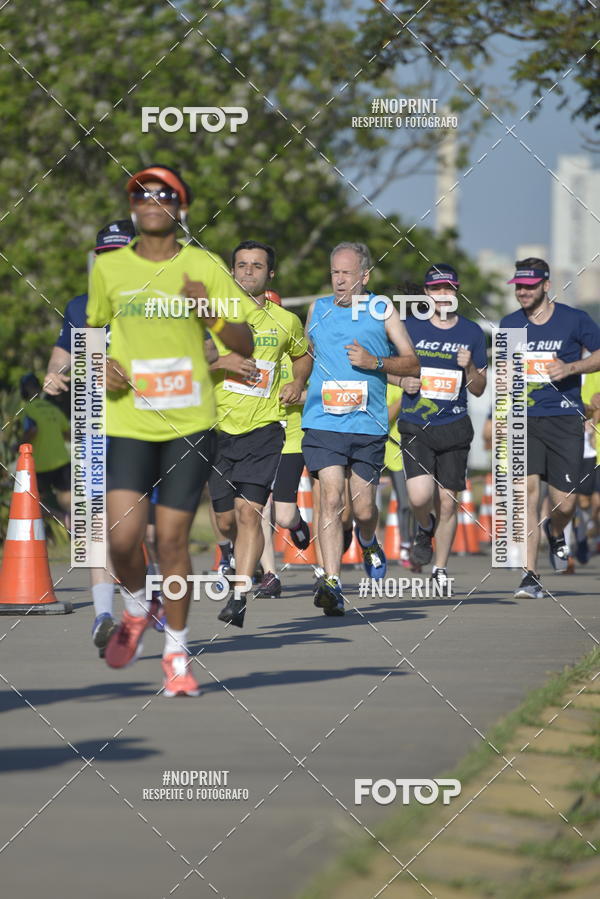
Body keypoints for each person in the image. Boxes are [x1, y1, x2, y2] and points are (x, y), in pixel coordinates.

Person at [86, 163, 253, 695]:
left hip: (188, 423)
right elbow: (91, 339)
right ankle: (138, 606)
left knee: (174, 542)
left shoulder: (203, 266)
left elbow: (244, 343)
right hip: (130, 420)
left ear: (181, 206)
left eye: (165, 194)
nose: (152, 200)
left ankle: (176, 654)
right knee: (122, 537)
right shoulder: (108, 270)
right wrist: (99, 365)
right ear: (132, 205)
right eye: (141, 193)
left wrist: (210, 312)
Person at [302, 241, 420, 616]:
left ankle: (368, 540)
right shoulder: (317, 309)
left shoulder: (381, 308)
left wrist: (374, 362)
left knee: (364, 506)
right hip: (323, 422)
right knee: (331, 498)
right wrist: (294, 381)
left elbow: (412, 363)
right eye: (335, 272)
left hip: (367, 424)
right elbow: (303, 356)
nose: (339, 280)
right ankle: (332, 583)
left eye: (347, 274)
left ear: (364, 276)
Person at [43, 219, 138, 657]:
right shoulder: (80, 306)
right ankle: (103, 614)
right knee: (93, 527)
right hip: (91, 427)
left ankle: (136, 608)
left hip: (139, 429)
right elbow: (63, 353)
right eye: (106, 255)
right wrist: (53, 374)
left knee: (132, 529)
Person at [206, 241, 312, 627]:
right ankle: (235, 559)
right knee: (225, 522)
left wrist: (298, 382)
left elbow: (303, 355)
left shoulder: (286, 321)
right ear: (232, 271)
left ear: (271, 275)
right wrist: (222, 360)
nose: (248, 271)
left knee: (250, 513)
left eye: (257, 266)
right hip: (216, 429)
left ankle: (239, 596)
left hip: (264, 429)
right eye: (241, 265)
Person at [500, 258, 600, 599]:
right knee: (527, 493)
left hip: (564, 419)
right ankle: (531, 575)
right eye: (518, 287)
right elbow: (506, 375)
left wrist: (571, 367)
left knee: (565, 503)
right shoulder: (510, 324)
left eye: (529, 286)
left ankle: (557, 532)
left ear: (546, 285)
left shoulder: (575, 319)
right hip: (524, 420)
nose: (523, 292)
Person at [397, 264, 487, 589]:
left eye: (448, 289)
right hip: (416, 423)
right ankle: (424, 528)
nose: (443, 295)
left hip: (455, 424)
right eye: (436, 289)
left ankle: (440, 569)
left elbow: (479, 388)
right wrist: (402, 379)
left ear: (456, 292)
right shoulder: (409, 328)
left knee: (448, 501)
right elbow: (389, 369)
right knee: (420, 497)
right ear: (426, 293)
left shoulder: (472, 332)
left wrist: (471, 367)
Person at [19, 373, 71, 523]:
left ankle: (61, 518)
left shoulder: (28, 409)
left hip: (40, 465)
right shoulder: (52, 409)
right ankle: (72, 523)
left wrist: (19, 445)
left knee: (33, 502)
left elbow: (32, 431)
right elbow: (67, 435)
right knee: (68, 500)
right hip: (61, 461)